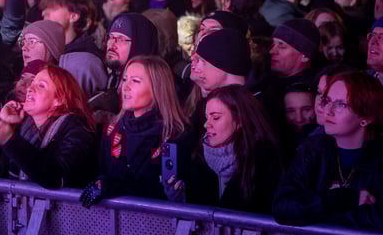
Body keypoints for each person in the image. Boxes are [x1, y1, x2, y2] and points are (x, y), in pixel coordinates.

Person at [273, 71, 383, 229]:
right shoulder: (314, 148)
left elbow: (377, 219)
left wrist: (313, 214)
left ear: (367, 117)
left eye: (340, 104)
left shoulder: (378, 158)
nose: (328, 111)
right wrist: (343, 199)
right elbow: (283, 207)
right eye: (328, 101)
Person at [80, 55, 189, 206]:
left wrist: (111, 187)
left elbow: (159, 191)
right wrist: (100, 182)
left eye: (135, 81)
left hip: (156, 226)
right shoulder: (112, 129)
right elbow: (101, 173)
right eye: (124, 79)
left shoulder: (174, 135)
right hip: (112, 224)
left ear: (157, 89)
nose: (125, 86)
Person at [0, 65, 96, 189]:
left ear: (60, 99)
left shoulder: (78, 130)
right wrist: (3, 121)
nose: (30, 88)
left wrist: (9, 140)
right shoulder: (22, 126)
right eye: (32, 83)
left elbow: (57, 177)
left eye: (41, 85)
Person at [166, 85, 282, 214]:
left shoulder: (265, 160)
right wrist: (181, 200)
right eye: (206, 117)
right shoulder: (199, 156)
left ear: (240, 120)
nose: (206, 124)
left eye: (215, 118)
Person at [40, 0, 109, 99]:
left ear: (73, 16)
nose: (44, 13)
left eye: (53, 7)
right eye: (45, 8)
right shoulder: (48, 51)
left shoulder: (86, 61)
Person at [90, 12, 159, 119]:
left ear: (140, 44)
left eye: (121, 39)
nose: (112, 44)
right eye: (111, 37)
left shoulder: (157, 88)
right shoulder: (111, 77)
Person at [187, 28, 251, 130]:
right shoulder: (204, 105)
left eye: (202, 61)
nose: (197, 67)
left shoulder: (253, 110)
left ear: (224, 65)